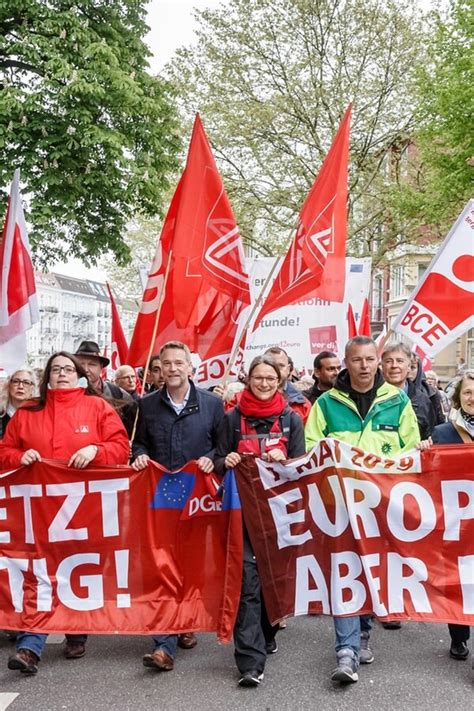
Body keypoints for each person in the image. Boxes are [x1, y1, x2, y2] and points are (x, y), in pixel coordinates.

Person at [0, 351, 129, 676]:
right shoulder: (28, 412)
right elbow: (4, 451)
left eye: (68, 369)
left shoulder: (97, 407)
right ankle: (30, 647)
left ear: (79, 376)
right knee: (40, 575)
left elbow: (120, 448)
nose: (61, 374)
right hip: (39, 512)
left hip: (82, 512)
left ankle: (76, 631)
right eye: (55, 369)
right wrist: (20, 456)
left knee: (76, 573)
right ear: (47, 377)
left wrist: (94, 450)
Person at [305, 336, 420, 684]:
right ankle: (347, 650)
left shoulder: (397, 400)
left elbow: (411, 449)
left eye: (371, 359)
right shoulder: (325, 404)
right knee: (344, 572)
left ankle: (364, 631)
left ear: (379, 362)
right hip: (338, 504)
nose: (365, 366)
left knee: (370, 570)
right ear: (346, 362)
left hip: (380, 505)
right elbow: (312, 449)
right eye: (358, 360)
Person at [131, 341, 224, 673]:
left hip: (197, 496)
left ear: (189, 367)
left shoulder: (213, 404)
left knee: (192, 564)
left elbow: (223, 447)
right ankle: (163, 645)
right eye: (165, 363)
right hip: (161, 495)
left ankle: (185, 620)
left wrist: (211, 460)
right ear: (159, 369)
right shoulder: (146, 405)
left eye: (178, 363)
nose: (172, 368)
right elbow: (139, 441)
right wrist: (139, 454)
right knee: (163, 566)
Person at [214, 355, 305, 688]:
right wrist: (227, 459)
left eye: (270, 378)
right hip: (242, 515)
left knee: (273, 583)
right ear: (248, 379)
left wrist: (286, 461)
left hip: (279, 516)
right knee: (248, 585)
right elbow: (216, 458)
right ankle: (250, 663)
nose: (264, 383)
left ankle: (267, 632)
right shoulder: (231, 418)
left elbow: (302, 468)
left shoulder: (291, 420)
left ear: (279, 382)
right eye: (258, 378)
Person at [419, 370, 473, 663]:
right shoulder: (443, 433)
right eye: (467, 393)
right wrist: (424, 450)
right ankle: (459, 635)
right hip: (456, 522)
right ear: (458, 397)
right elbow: (427, 475)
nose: (473, 398)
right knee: (460, 580)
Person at [264, 347, 312, 423]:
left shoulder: (303, 405)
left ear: (288, 369)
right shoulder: (244, 401)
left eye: (281, 366)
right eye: (270, 365)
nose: (276, 369)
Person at [0, 368, 36, 438]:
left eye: (26, 382)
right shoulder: (1, 413)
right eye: (16, 381)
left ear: (32, 388)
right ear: (8, 385)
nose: (20, 386)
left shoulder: (37, 414)